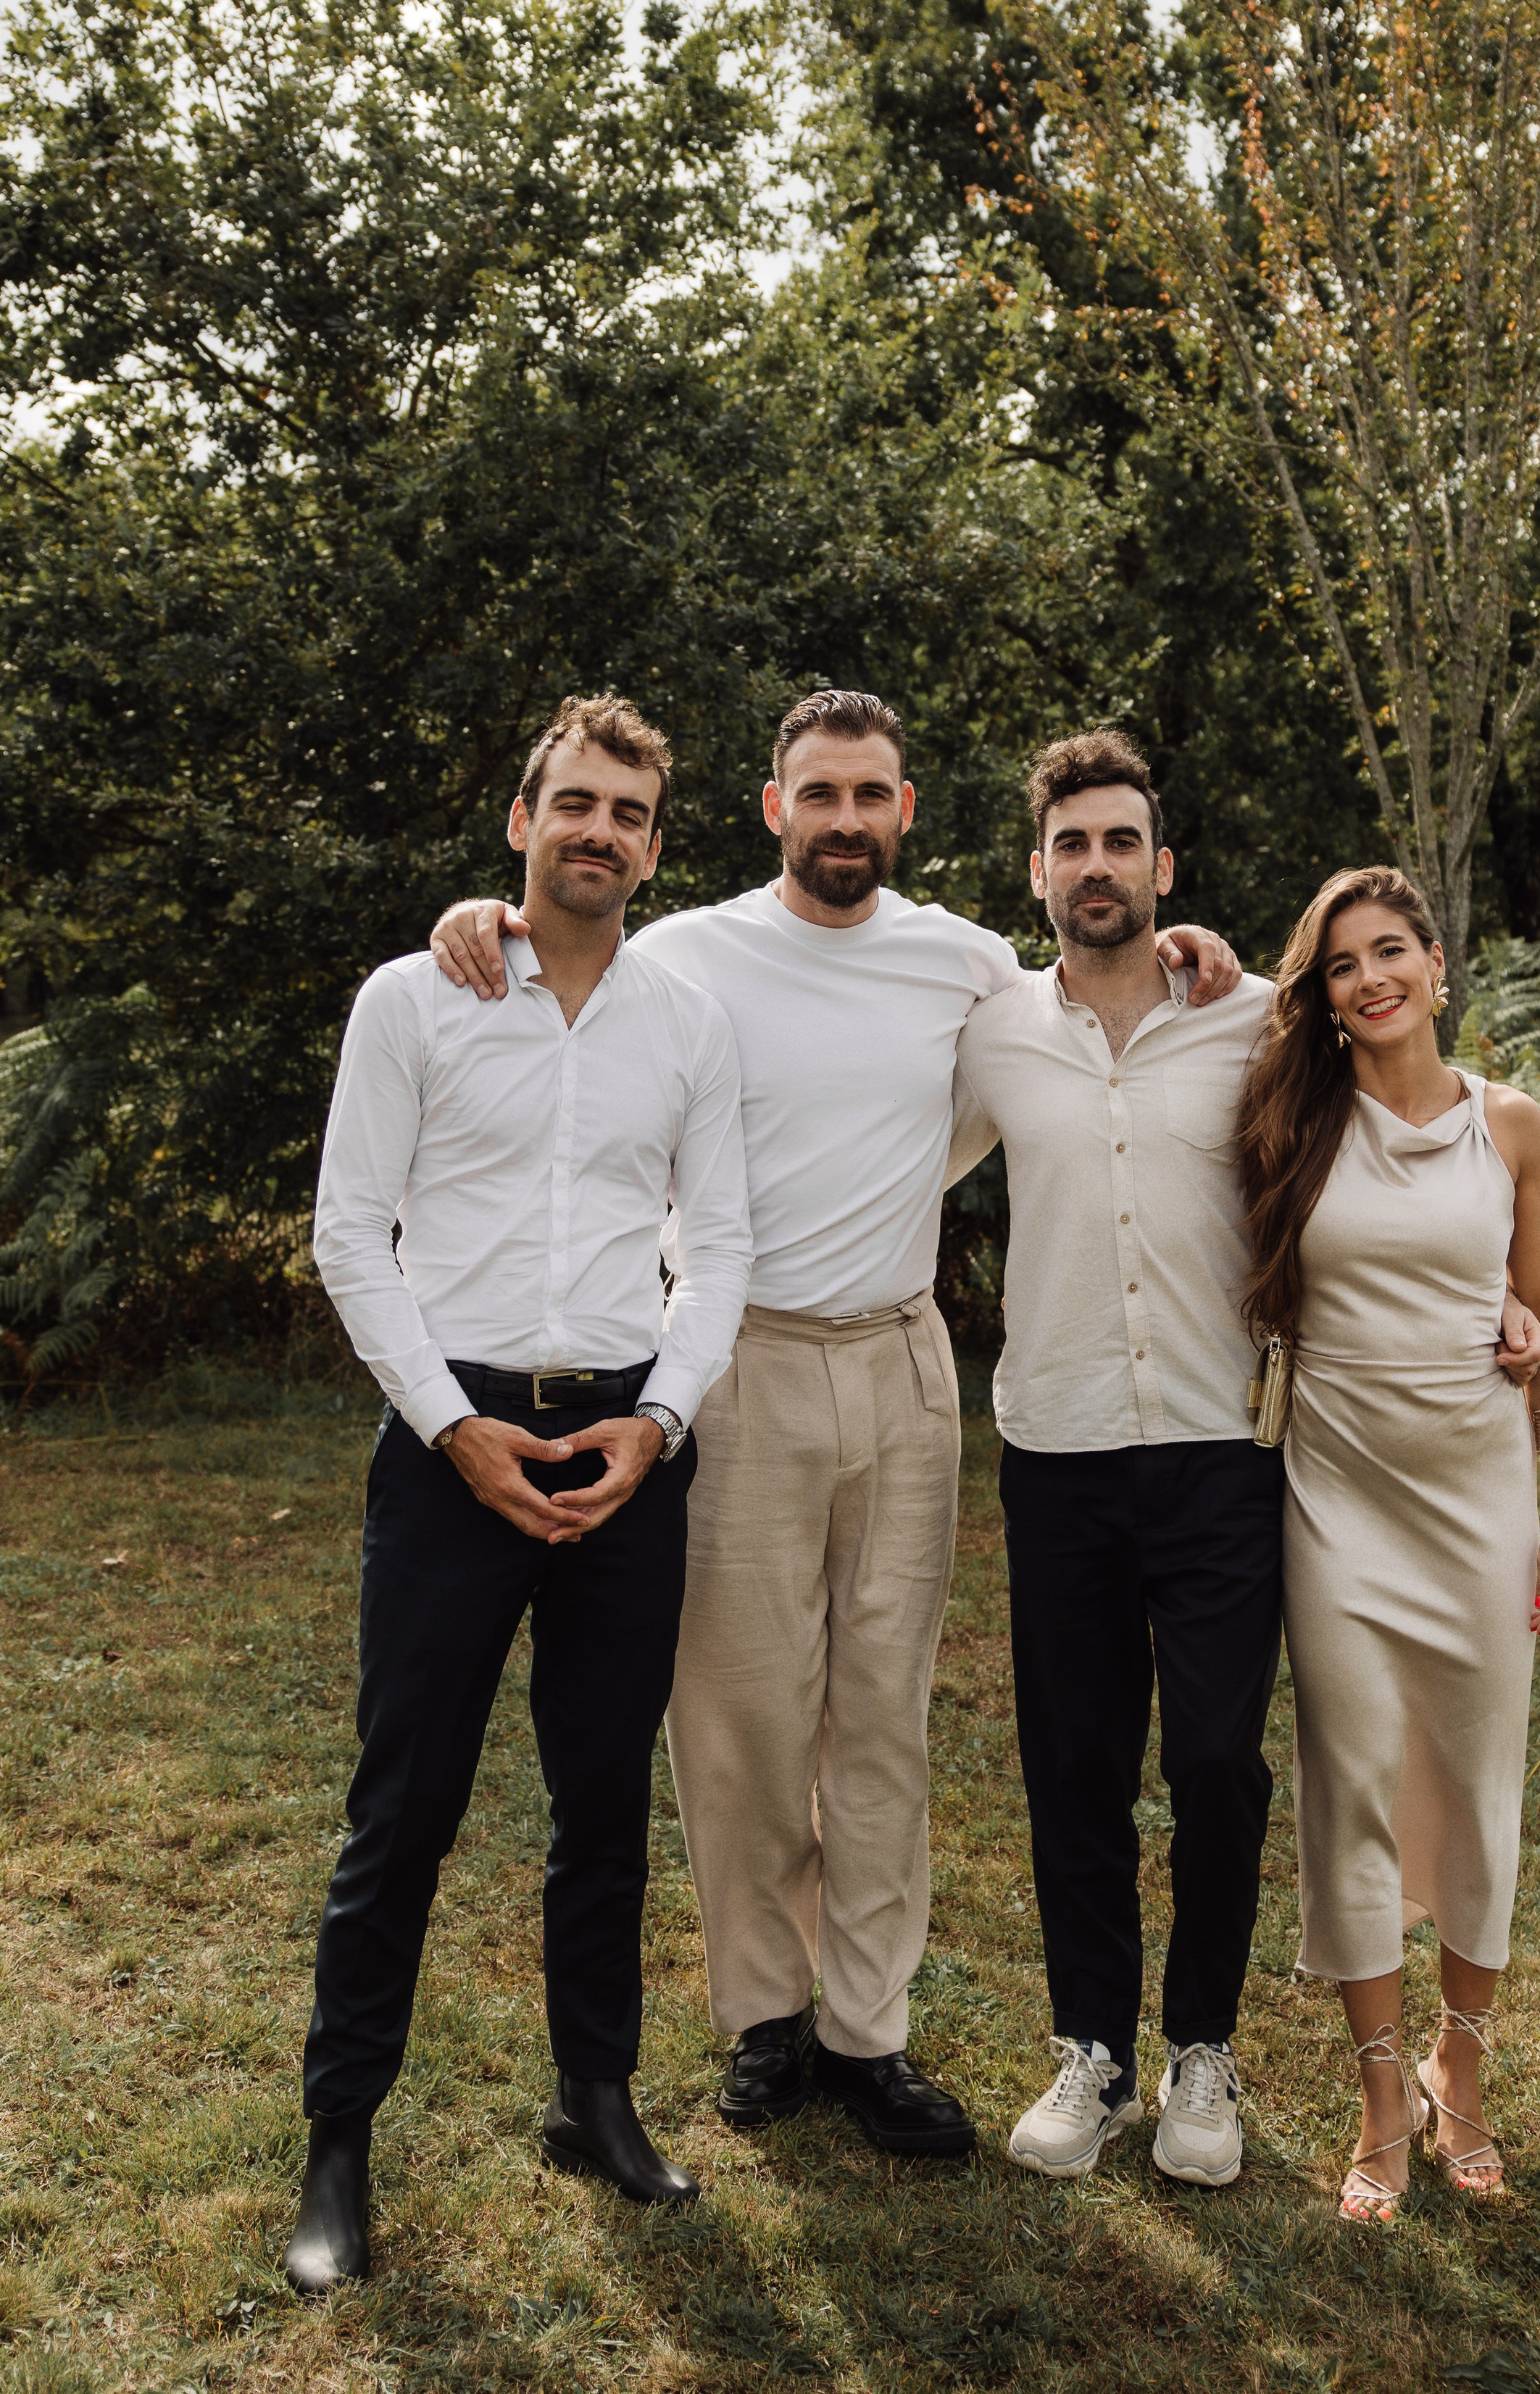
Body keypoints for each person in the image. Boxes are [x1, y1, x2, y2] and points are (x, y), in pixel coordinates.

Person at [427, 691, 1241, 2159]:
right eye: (820, 794)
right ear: (774, 808)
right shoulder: (685, 956)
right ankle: (767, 2019)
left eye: (871, 794)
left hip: (900, 1366)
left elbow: (1086, 1000)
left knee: (880, 1718)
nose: (846, 820)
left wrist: (1191, 950)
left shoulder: (963, 965)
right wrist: (479, 920)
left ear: (905, 811)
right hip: (733, 1363)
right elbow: (559, 964)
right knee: (741, 1716)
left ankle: (870, 2034)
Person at [286, 698, 753, 2297]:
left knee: (603, 1801)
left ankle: (594, 2100)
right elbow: (350, 1234)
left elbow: (720, 1246)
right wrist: (453, 1429)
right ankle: (338, 2142)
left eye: (628, 813)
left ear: (655, 848)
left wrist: (661, 1421)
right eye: (575, 803)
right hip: (452, 1445)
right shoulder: (414, 998)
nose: (598, 831)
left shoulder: (686, 1023)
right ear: (521, 820)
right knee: (403, 1804)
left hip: (625, 1441)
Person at [1236, 865, 1540, 2223]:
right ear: (1323, 996)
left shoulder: (1512, 1124)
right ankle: (1383, 2097)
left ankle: (1463, 2067)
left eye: (1391, 951)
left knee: (1480, 1785)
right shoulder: (1294, 1118)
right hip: (1337, 1504)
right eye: (1343, 965)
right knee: (1354, 1787)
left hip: (1480, 1501)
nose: (1371, 978)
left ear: (1439, 964)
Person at [947, 732, 1279, 2186]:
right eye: (1071, 844)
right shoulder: (991, 1034)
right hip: (1060, 1450)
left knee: (1215, 1762)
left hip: (1221, 1450)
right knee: (1076, 1763)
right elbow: (875, 1155)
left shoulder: (1255, 1021)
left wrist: (1502, 1294)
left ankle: (1201, 2050)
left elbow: (1389, 1131)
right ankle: (1090, 2047)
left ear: (1163, 867)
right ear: (1038, 874)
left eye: (1120, 841)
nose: (1097, 865)